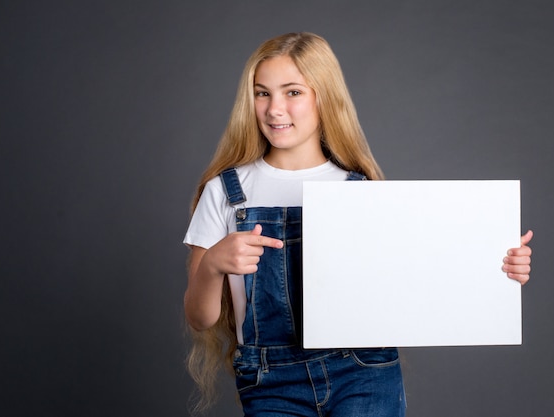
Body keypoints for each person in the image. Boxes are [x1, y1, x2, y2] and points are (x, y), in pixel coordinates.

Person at [183, 32, 533, 416]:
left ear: (324, 96)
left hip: (363, 373)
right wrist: (215, 263)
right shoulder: (226, 192)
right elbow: (200, 318)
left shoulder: (360, 189)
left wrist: (498, 265)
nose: (274, 109)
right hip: (271, 380)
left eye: (293, 92)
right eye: (262, 93)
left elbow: (422, 277)